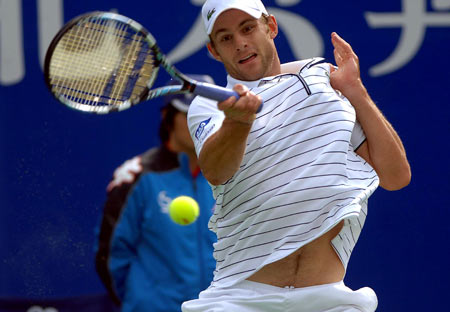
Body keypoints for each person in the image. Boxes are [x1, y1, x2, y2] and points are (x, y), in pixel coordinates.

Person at [182, 1, 411, 311]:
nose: (240, 44)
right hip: (240, 298)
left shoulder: (322, 83)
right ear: (213, 50)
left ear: (271, 27)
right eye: (225, 38)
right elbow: (216, 171)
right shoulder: (210, 108)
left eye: (247, 28)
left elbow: (396, 177)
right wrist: (239, 121)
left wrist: (355, 90)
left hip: (330, 299)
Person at [94, 75, 217, 312]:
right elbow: (110, 257)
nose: (198, 123)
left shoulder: (232, 175)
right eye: (189, 114)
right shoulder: (136, 176)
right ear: (167, 117)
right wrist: (143, 303)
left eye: (205, 115)